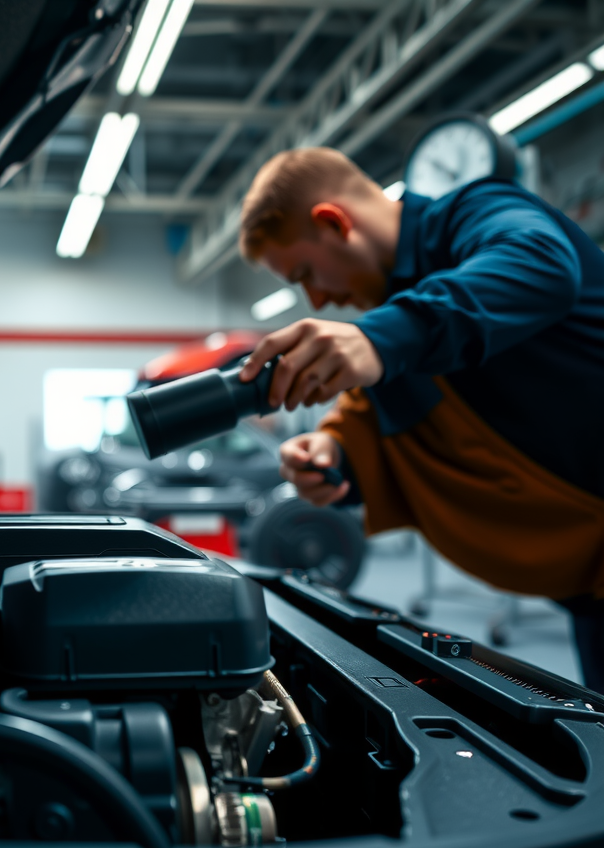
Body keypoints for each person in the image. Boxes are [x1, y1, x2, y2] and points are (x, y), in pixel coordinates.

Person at [236, 147, 604, 693]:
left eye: (307, 273)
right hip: (591, 586)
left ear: (333, 222)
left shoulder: (473, 211)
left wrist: (380, 338)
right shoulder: (401, 317)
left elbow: (541, 263)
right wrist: (331, 452)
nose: (318, 298)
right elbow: (375, 414)